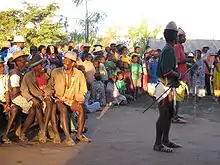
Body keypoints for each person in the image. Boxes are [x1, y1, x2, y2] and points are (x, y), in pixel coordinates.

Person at [45, 51, 90, 146]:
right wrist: (49, 92)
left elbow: (83, 89)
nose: (64, 62)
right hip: (59, 98)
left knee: (82, 108)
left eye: (67, 61)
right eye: (64, 59)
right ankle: (68, 137)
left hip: (73, 99)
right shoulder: (56, 72)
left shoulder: (79, 74)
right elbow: (49, 86)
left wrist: (78, 99)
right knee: (63, 109)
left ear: (73, 63)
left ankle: (79, 134)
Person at [154, 21, 183, 153]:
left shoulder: (169, 49)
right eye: (177, 34)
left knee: (169, 114)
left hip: (169, 87)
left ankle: (165, 140)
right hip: (164, 88)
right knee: (164, 115)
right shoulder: (167, 51)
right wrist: (179, 74)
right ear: (174, 35)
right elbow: (166, 71)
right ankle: (158, 143)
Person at [21, 54, 53, 143]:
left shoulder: (48, 73)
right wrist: (32, 99)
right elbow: (24, 91)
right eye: (40, 65)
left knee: (49, 103)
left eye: (43, 64)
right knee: (36, 105)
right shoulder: (28, 76)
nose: (43, 66)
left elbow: (52, 86)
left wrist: (47, 93)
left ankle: (44, 129)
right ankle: (43, 130)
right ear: (35, 67)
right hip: (35, 97)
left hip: (47, 96)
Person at [173, 28, 189, 123]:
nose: (185, 38)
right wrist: (186, 60)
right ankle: (174, 116)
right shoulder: (176, 47)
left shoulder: (182, 47)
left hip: (183, 75)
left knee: (179, 97)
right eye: (183, 37)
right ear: (178, 37)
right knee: (177, 97)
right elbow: (177, 61)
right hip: (178, 76)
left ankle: (176, 114)